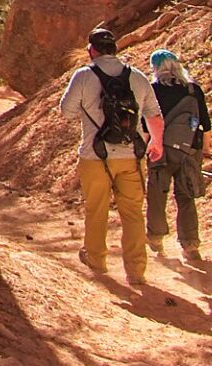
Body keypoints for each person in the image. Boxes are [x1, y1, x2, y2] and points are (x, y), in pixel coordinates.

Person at [58, 25, 163, 285]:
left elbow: (67, 111)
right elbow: (155, 115)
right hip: (132, 156)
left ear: (91, 50)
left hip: (96, 155)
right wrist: (156, 144)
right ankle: (137, 270)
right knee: (133, 213)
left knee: (97, 209)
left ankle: (96, 259)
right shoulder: (137, 76)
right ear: (115, 49)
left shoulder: (83, 76)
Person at [147, 48, 212, 263]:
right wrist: (205, 149)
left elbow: (146, 124)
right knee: (186, 197)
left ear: (155, 68)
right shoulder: (193, 90)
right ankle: (190, 244)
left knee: (157, 195)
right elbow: (206, 124)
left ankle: (156, 238)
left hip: (161, 150)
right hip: (189, 150)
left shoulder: (153, 90)